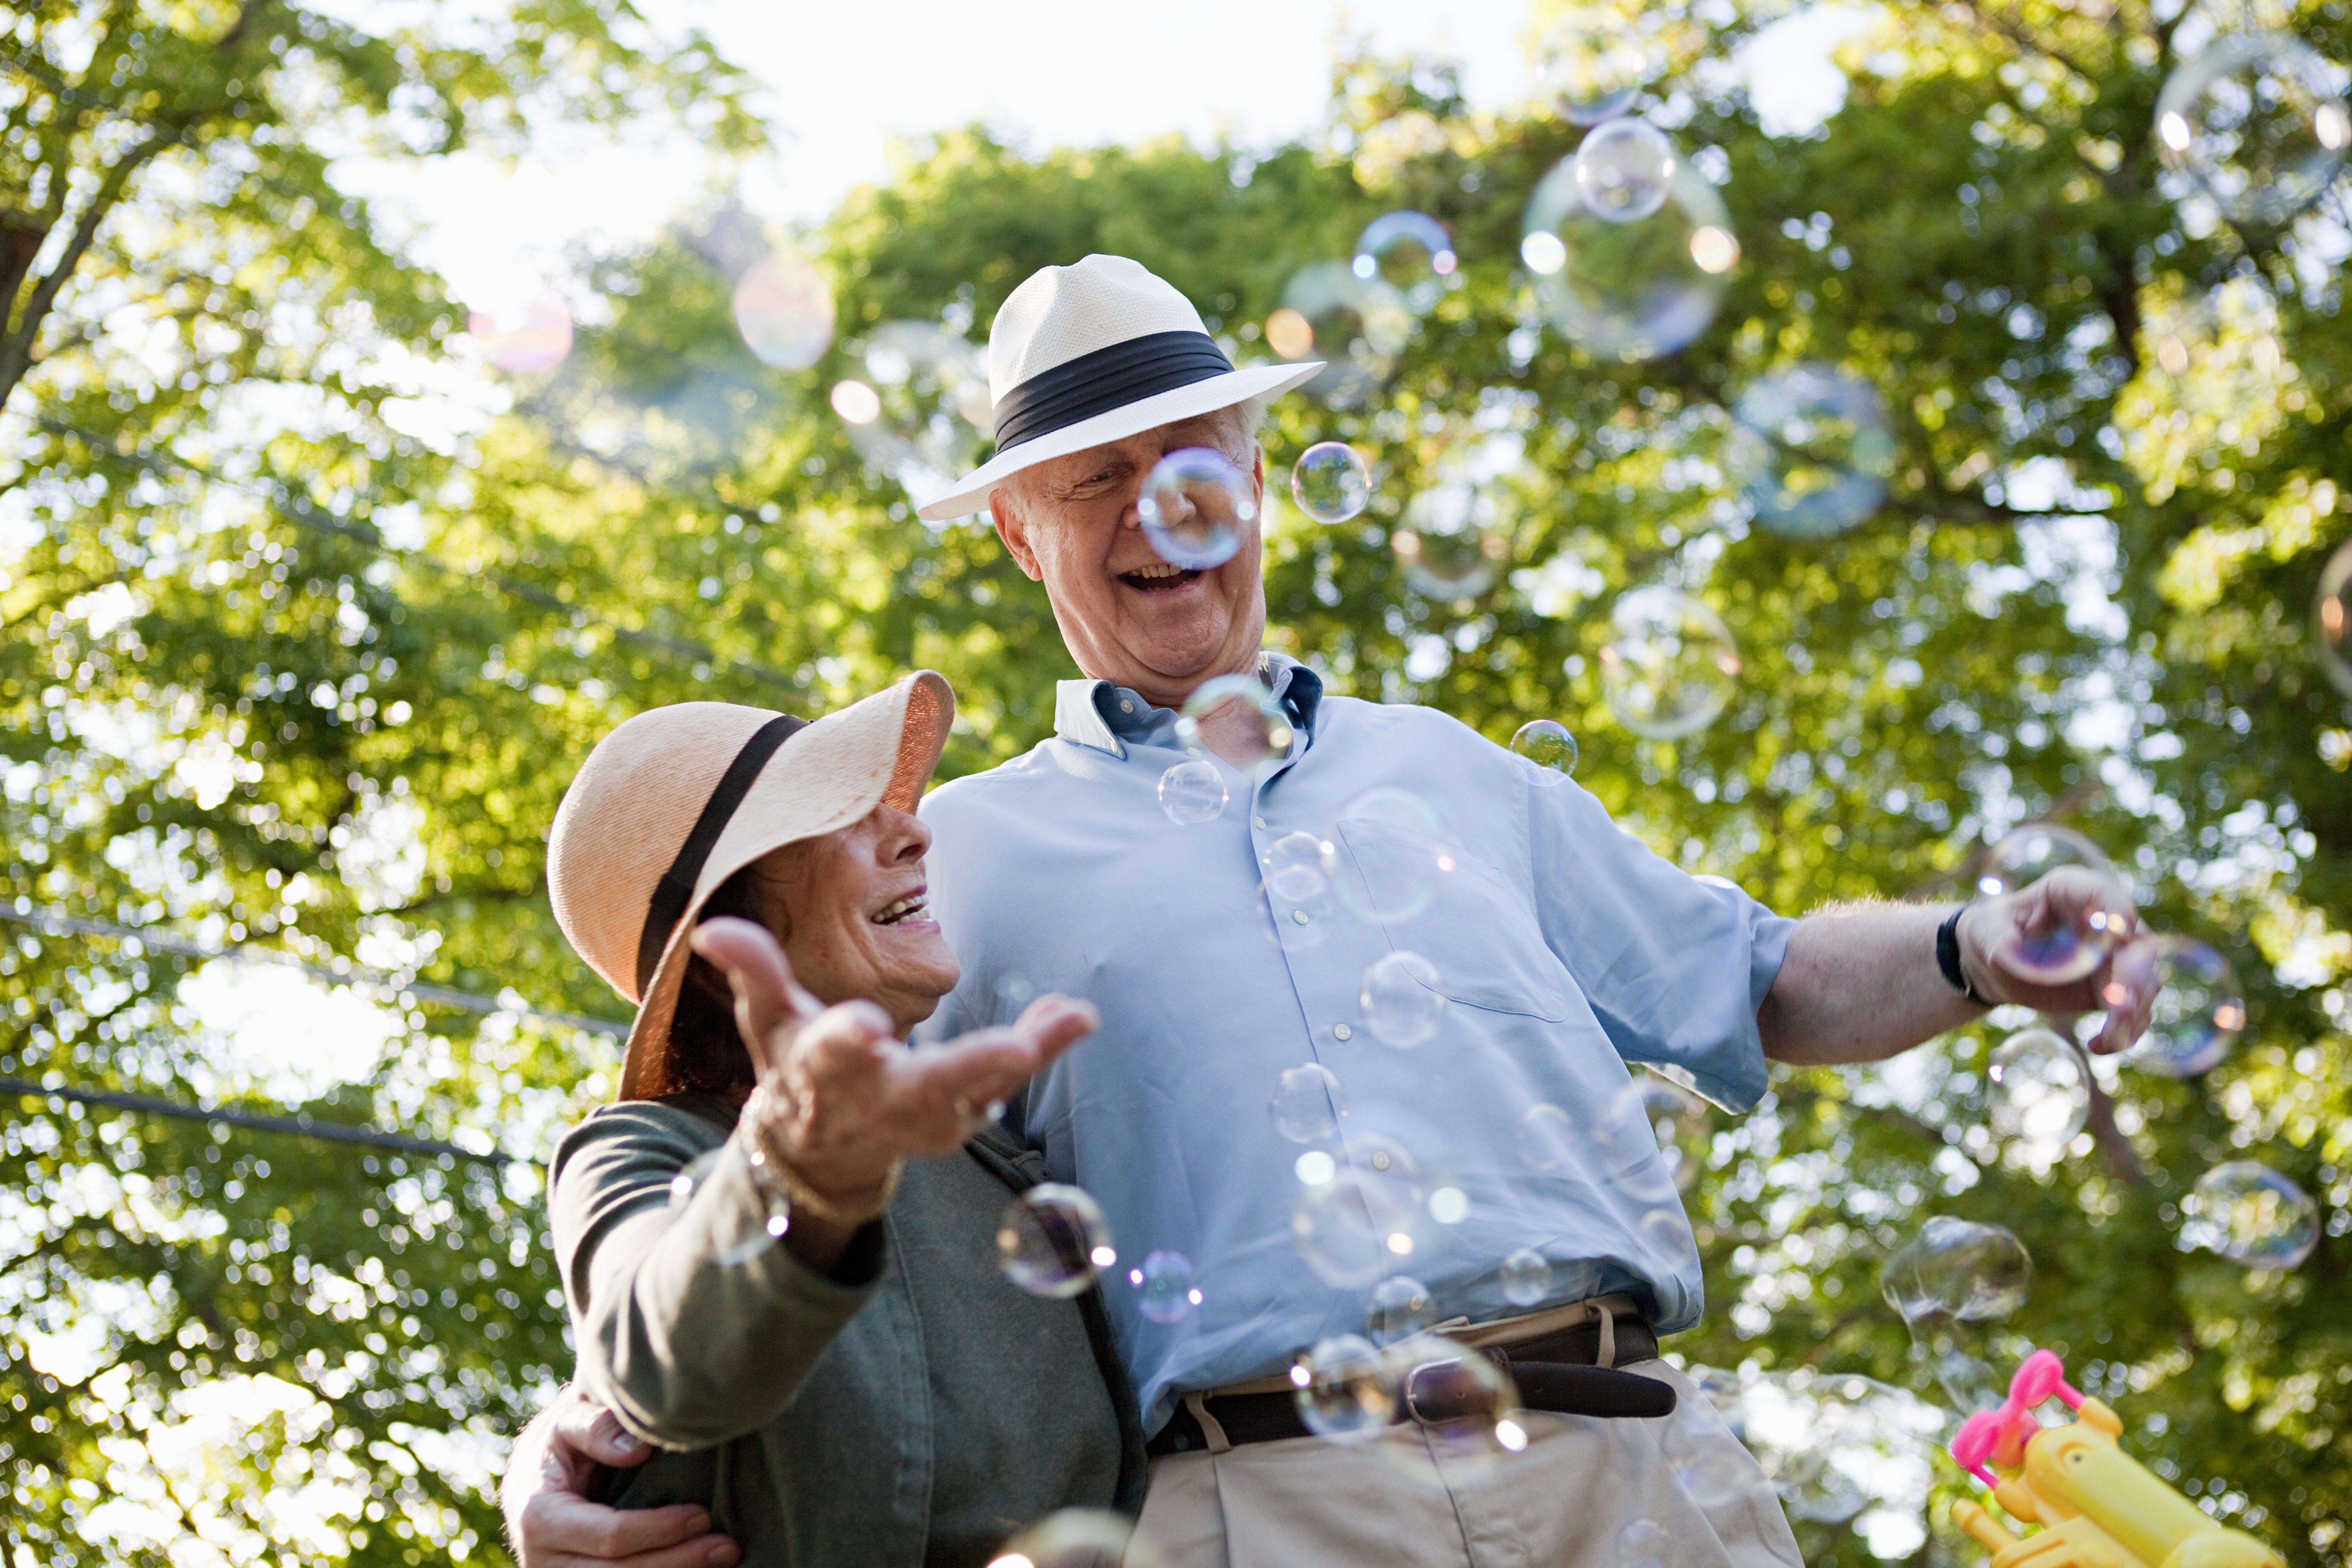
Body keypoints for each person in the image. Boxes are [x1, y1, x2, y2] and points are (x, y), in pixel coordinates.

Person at [510, 255, 2159, 1567]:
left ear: (1253, 474)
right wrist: (594, 1431)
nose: (1158, 505)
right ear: (1017, 533)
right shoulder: (948, 860)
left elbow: (1764, 975)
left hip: (1637, 1468)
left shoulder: (1461, 775)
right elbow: (767, 1177)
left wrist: (1975, 944)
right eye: (1093, 479)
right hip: (1261, 1504)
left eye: (1191, 458)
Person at [519, 672, 1147, 1568]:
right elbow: (657, 1360)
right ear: (722, 943)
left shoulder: (999, 1165)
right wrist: (798, 1173)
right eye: (844, 813)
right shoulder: (636, 1150)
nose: (914, 829)